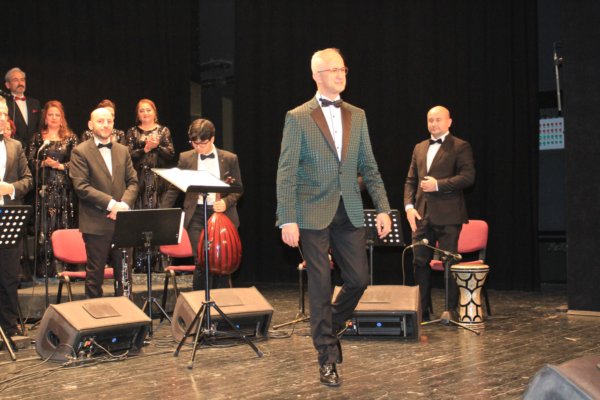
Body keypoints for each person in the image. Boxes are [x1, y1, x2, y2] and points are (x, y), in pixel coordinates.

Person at [275, 48, 392, 387]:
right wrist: (287, 218)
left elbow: (369, 166)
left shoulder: (357, 114)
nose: (340, 75)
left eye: (343, 69)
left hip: (349, 209)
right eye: (333, 70)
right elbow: (286, 171)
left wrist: (383, 208)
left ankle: (330, 326)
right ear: (316, 76)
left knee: (358, 279)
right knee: (321, 283)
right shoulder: (298, 117)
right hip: (311, 212)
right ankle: (326, 357)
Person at [403, 105, 475, 321]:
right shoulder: (419, 147)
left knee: (449, 262)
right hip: (421, 215)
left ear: (449, 122)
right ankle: (421, 310)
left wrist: (438, 185)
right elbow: (410, 180)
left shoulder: (460, 146)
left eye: (438, 120)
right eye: (430, 120)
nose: (433, 124)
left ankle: (450, 310)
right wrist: (409, 207)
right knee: (419, 261)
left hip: (449, 214)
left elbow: (468, 177)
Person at [162, 118, 242, 290]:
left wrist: (226, 202)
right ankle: (199, 302)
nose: (198, 148)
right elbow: (174, 188)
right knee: (201, 260)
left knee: (221, 260)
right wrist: (162, 213)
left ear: (212, 139)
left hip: (222, 215)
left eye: (203, 144)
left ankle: (221, 302)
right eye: (194, 143)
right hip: (196, 214)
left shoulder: (229, 158)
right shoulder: (186, 158)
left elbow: (238, 189)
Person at [69, 107, 138, 298]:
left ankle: (126, 313)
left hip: (123, 221)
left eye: (109, 121)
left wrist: (123, 204)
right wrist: (111, 204)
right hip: (96, 222)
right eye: (100, 121)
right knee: (95, 275)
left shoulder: (123, 150)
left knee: (125, 275)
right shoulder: (80, 151)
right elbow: (81, 187)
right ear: (90, 125)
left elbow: (133, 182)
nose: (105, 125)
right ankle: (93, 315)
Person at [27, 100, 79, 277]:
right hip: (44, 189)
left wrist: (60, 166)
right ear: (45, 117)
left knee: (64, 224)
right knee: (45, 227)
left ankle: (66, 268)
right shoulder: (37, 138)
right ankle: (46, 269)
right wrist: (42, 163)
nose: (54, 118)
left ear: (62, 117)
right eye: (50, 115)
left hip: (65, 190)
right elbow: (28, 161)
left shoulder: (71, 138)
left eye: (57, 115)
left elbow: (78, 163)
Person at [125, 99, 174, 272]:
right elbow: (126, 155)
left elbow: (170, 155)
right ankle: (139, 264)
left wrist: (157, 146)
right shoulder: (132, 132)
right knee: (139, 218)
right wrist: (144, 150)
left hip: (158, 182)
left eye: (148, 110)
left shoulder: (163, 131)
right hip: (138, 181)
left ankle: (159, 264)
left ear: (154, 112)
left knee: (158, 219)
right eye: (141, 111)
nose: (145, 113)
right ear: (137, 115)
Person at [0, 97, 33, 342]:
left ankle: (8, 329)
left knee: (9, 277)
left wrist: (10, 189)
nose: (3, 119)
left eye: (4, 114)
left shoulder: (15, 146)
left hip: (8, 216)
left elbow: (28, 180)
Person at [4, 67, 41, 147]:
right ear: (7, 85)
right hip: (13, 146)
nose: (20, 83)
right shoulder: (3, 104)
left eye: (22, 80)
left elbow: (39, 126)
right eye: (15, 80)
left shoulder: (35, 103)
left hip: (34, 148)